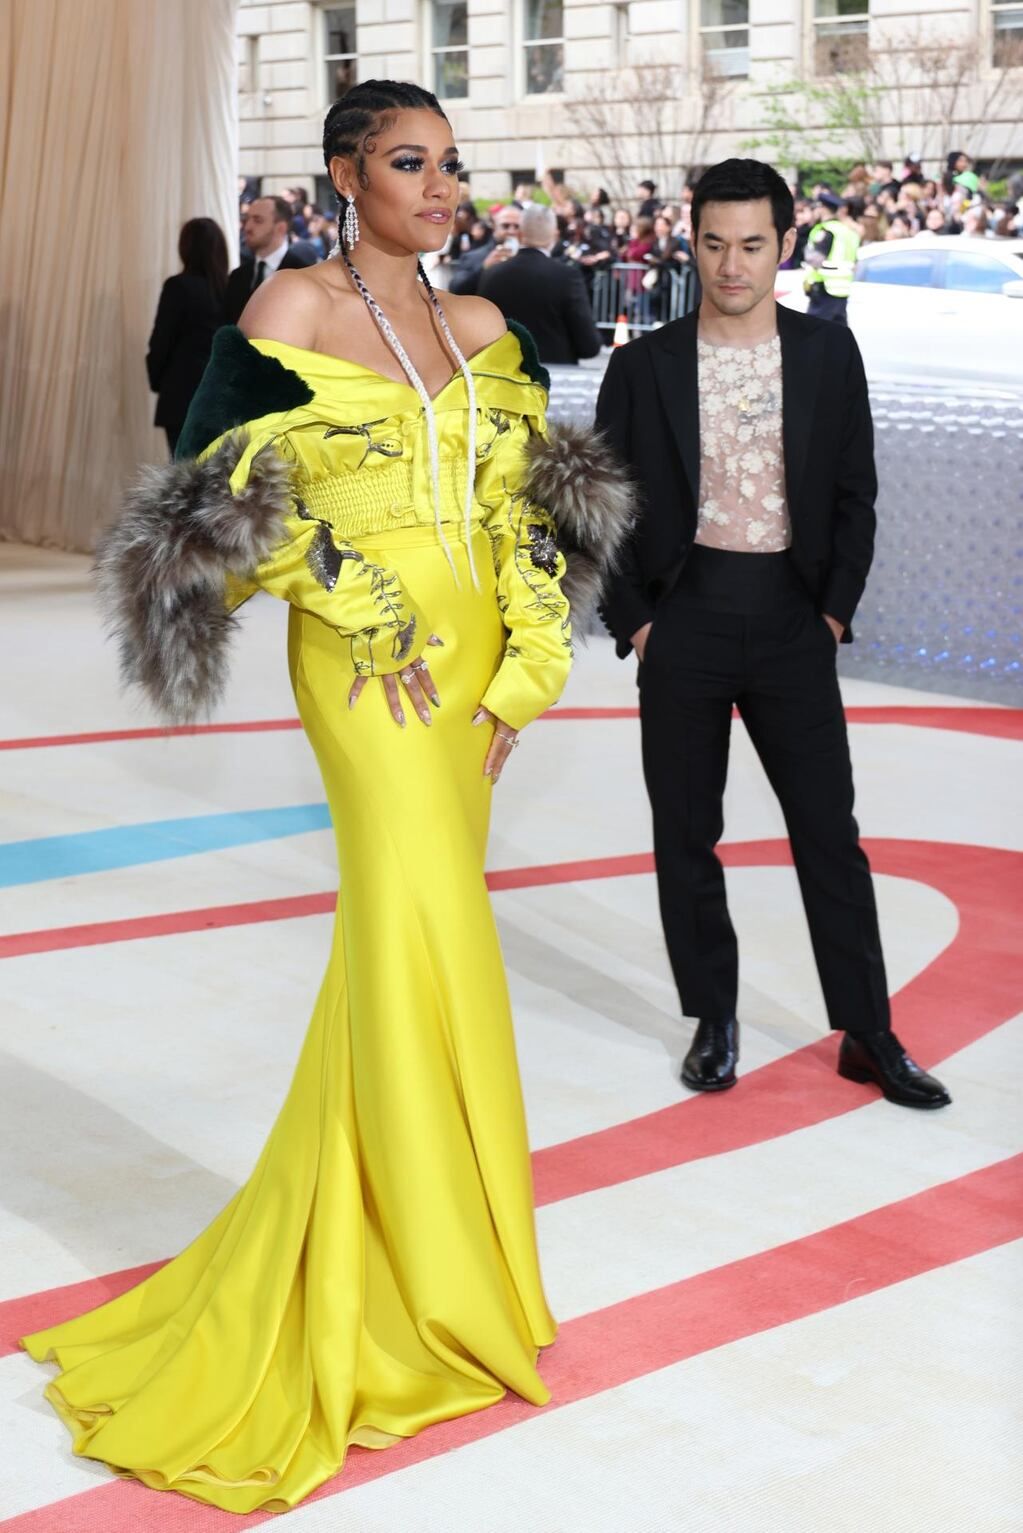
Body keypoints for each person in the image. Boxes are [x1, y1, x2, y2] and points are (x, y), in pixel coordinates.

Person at [21, 79, 631, 1515]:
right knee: (435, 943)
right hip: (370, 675)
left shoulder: (483, 325)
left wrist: (521, 675)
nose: (441, 184)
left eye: (450, 162)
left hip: (470, 675)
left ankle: (415, 1258)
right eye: (409, 161)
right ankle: (435, 1279)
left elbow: (534, 518)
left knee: (404, 954)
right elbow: (214, 484)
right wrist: (361, 607)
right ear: (347, 172)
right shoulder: (291, 306)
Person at [595, 156, 950, 1113]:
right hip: (685, 618)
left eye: (752, 244)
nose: (731, 264)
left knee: (828, 834)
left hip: (792, 617)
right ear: (691, 240)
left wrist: (832, 611)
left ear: (784, 244)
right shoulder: (642, 366)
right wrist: (635, 624)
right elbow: (599, 508)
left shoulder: (829, 355)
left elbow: (854, 492)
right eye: (713, 243)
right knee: (686, 833)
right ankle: (713, 1017)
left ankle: (867, 1032)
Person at [145, 217, 228, 456]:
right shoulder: (229, 288)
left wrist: (158, 380)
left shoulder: (178, 287)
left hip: (181, 394)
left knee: (184, 475)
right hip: (221, 395)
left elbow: (161, 340)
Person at [478, 204, 602, 364]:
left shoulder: (492, 274)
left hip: (503, 372)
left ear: (520, 234)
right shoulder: (567, 276)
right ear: (554, 235)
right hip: (553, 375)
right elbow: (589, 346)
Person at [222, 194, 317, 325]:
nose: (247, 227)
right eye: (247, 219)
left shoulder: (303, 274)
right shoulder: (237, 276)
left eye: (258, 220)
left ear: (280, 228)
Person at [802, 192, 861, 324]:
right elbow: (855, 263)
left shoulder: (826, 230)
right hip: (842, 290)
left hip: (824, 288)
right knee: (837, 335)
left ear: (823, 208)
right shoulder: (848, 232)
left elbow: (814, 259)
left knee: (813, 333)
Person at [447, 202, 520, 294]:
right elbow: (456, 288)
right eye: (505, 226)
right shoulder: (473, 257)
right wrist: (483, 268)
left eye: (517, 226)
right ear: (494, 227)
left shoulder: (530, 256)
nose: (511, 231)